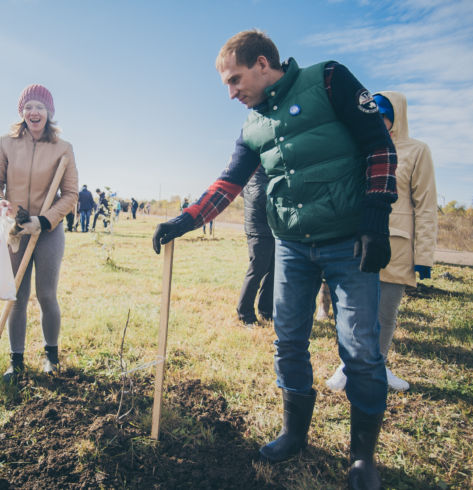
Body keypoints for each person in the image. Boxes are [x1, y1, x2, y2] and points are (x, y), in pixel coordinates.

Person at [151, 30, 397, 490]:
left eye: (235, 79)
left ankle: (362, 458)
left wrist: (375, 219)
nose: (231, 92)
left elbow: (378, 146)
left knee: (360, 350)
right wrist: (184, 221)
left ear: (263, 64)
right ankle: (295, 434)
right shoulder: (252, 126)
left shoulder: (329, 80)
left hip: (349, 242)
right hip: (293, 247)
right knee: (287, 341)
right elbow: (228, 183)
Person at [326, 91, 436, 394]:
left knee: (385, 313)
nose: (377, 120)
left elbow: (426, 205)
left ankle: (379, 366)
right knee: (353, 310)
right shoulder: (360, 147)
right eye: (372, 113)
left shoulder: (417, 151)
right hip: (358, 241)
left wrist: (424, 255)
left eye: (383, 114)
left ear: (397, 115)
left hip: (398, 246)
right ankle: (347, 366)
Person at [0, 84, 78, 377]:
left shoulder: (63, 148)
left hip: (48, 231)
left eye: (39, 107)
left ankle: (51, 356)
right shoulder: (6, 143)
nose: (33, 112)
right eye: (28, 107)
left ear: (49, 112)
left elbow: (71, 194)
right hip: (16, 231)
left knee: (47, 294)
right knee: (17, 296)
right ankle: (16, 360)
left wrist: (46, 220)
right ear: (21, 111)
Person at [236, 167, 275, 326]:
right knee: (257, 270)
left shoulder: (267, 171)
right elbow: (259, 195)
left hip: (270, 227)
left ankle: (266, 311)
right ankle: (245, 313)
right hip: (258, 229)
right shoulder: (256, 170)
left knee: (272, 271)